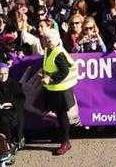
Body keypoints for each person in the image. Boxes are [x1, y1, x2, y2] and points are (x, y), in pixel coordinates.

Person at [36, 21, 76, 156]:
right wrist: (44, 72)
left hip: (60, 89)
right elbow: (49, 65)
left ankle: (66, 142)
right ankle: (62, 138)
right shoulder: (49, 49)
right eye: (45, 39)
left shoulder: (58, 52)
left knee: (62, 116)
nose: (45, 41)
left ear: (53, 40)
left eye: (47, 39)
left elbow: (64, 72)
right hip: (53, 89)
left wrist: (50, 78)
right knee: (57, 115)